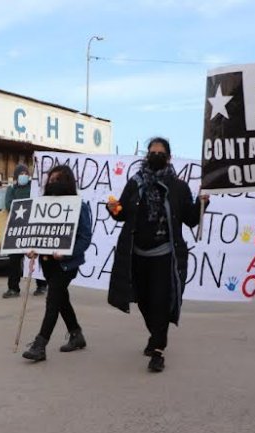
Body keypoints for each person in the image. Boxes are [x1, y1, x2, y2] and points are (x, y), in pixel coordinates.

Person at [106, 137, 208, 373]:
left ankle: (159, 349)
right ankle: (155, 335)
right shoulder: (135, 183)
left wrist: (203, 204)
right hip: (137, 254)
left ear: (169, 158)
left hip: (165, 255)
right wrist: (114, 210)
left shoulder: (179, 187)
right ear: (146, 156)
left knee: (161, 301)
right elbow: (122, 212)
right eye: (152, 153)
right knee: (142, 300)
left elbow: (191, 219)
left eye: (160, 153)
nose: (156, 156)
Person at [22, 165, 93, 362]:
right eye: (51, 180)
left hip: (66, 264)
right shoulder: (42, 206)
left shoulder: (79, 206)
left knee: (53, 300)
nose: (53, 184)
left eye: (58, 180)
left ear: (68, 183)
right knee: (61, 298)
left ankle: (40, 344)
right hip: (48, 263)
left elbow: (85, 237)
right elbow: (37, 233)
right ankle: (76, 334)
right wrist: (32, 248)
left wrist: (67, 252)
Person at [3, 164, 47, 298]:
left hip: (34, 227)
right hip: (17, 228)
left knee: (37, 256)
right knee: (14, 258)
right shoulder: (12, 189)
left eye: (25, 173)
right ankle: (13, 288)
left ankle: (42, 285)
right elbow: (9, 204)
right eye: (20, 174)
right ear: (16, 177)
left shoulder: (34, 188)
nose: (23, 176)